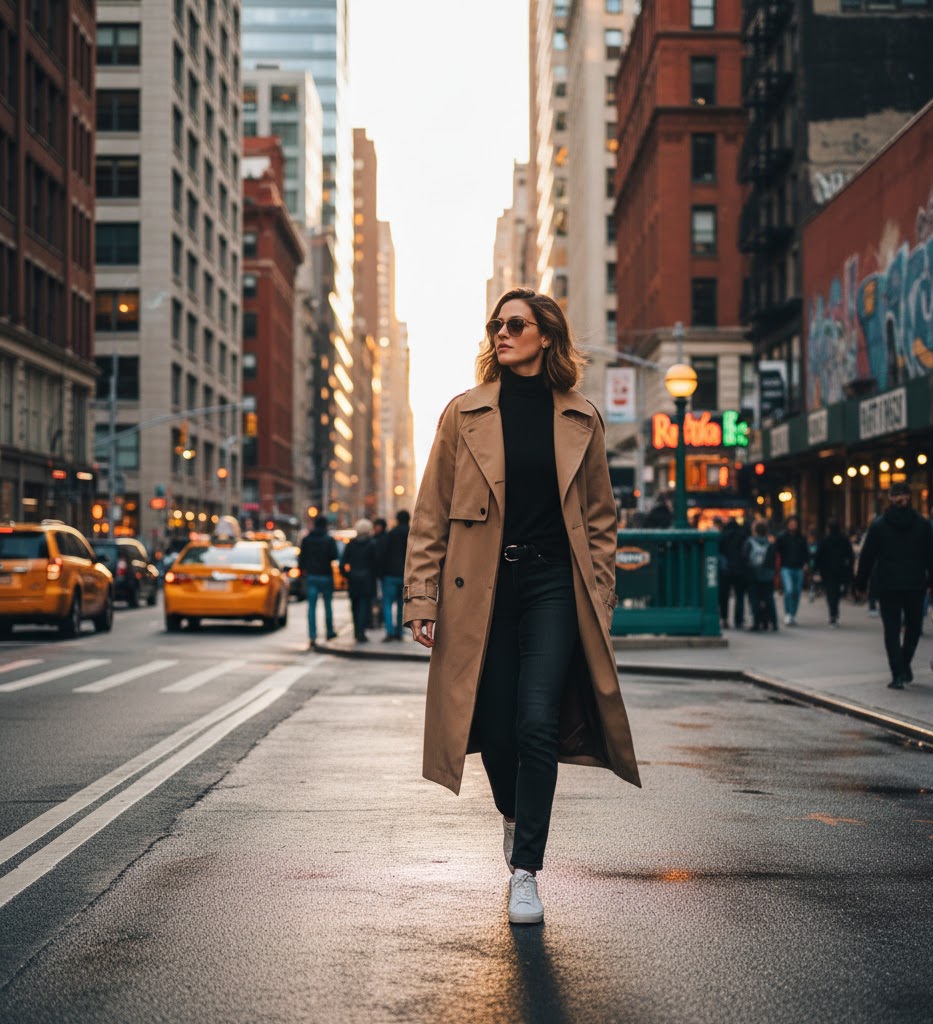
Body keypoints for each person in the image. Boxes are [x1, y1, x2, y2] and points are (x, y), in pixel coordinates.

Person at [403, 287, 640, 927]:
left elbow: (600, 522)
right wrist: (421, 597)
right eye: (495, 325)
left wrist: (602, 598)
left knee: (537, 722)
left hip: (554, 588)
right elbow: (429, 517)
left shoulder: (580, 418)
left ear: (546, 337)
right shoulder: (464, 414)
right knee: (501, 729)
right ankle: (513, 815)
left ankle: (526, 870)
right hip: (484, 589)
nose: (501, 334)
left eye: (515, 324)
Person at [853, 482, 933, 689]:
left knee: (892, 629)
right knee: (914, 627)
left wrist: (860, 583)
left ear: (890, 498)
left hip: (889, 584)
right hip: (914, 584)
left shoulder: (879, 525)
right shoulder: (922, 525)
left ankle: (898, 671)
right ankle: (903, 665)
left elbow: (867, 556)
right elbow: (930, 557)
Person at [298, 515, 339, 648]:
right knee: (328, 605)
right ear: (325, 525)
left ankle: (313, 635)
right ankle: (329, 631)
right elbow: (334, 556)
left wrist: (303, 571)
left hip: (312, 576)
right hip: (326, 575)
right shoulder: (329, 539)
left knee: (311, 607)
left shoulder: (307, 539)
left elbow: (301, 559)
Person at [341, 519, 377, 642]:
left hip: (354, 580)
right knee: (364, 607)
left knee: (354, 607)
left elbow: (342, 563)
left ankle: (357, 631)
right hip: (367, 580)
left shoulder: (351, 544)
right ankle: (361, 632)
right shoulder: (372, 544)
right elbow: (376, 563)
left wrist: (348, 575)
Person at [814, 520, 854, 627]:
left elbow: (818, 555)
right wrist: (849, 568)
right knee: (836, 592)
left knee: (830, 592)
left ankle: (833, 614)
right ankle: (835, 612)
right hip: (841, 570)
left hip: (827, 571)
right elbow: (850, 555)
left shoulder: (825, 540)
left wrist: (816, 569)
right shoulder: (844, 540)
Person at [379, 510, 410, 641]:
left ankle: (389, 631)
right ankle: (399, 632)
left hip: (390, 574)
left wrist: (381, 573)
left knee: (387, 603)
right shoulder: (411, 533)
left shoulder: (390, 534)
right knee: (401, 604)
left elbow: (382, 554)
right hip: (405, 574)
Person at [744, 520, 778, 631]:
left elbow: (745, 557)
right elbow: (773, 559)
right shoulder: (770, 543)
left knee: (754, 599)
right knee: (769, 599)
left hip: (753, 574)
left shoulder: (750, 542)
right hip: (767, 574)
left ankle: (757, 622)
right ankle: (773, 622)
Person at [775, 515, 809, 625]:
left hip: (798, 568)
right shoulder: (782, 537)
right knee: (789, 590)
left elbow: (806, 552)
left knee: (797, 592)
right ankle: (788, 614)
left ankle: (793, 614)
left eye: (795, 523)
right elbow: (776, 551)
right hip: (786, 567)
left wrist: (806, 563)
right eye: (791, 523)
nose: (793, 525)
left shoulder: (801, 538)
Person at [718, 516, 750, 630]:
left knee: (724, 596)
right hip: (740, 569)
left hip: (726, 570)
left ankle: (724, 619)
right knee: (740, 596)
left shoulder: (723, 535)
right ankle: (738, 620)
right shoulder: (743, 535)